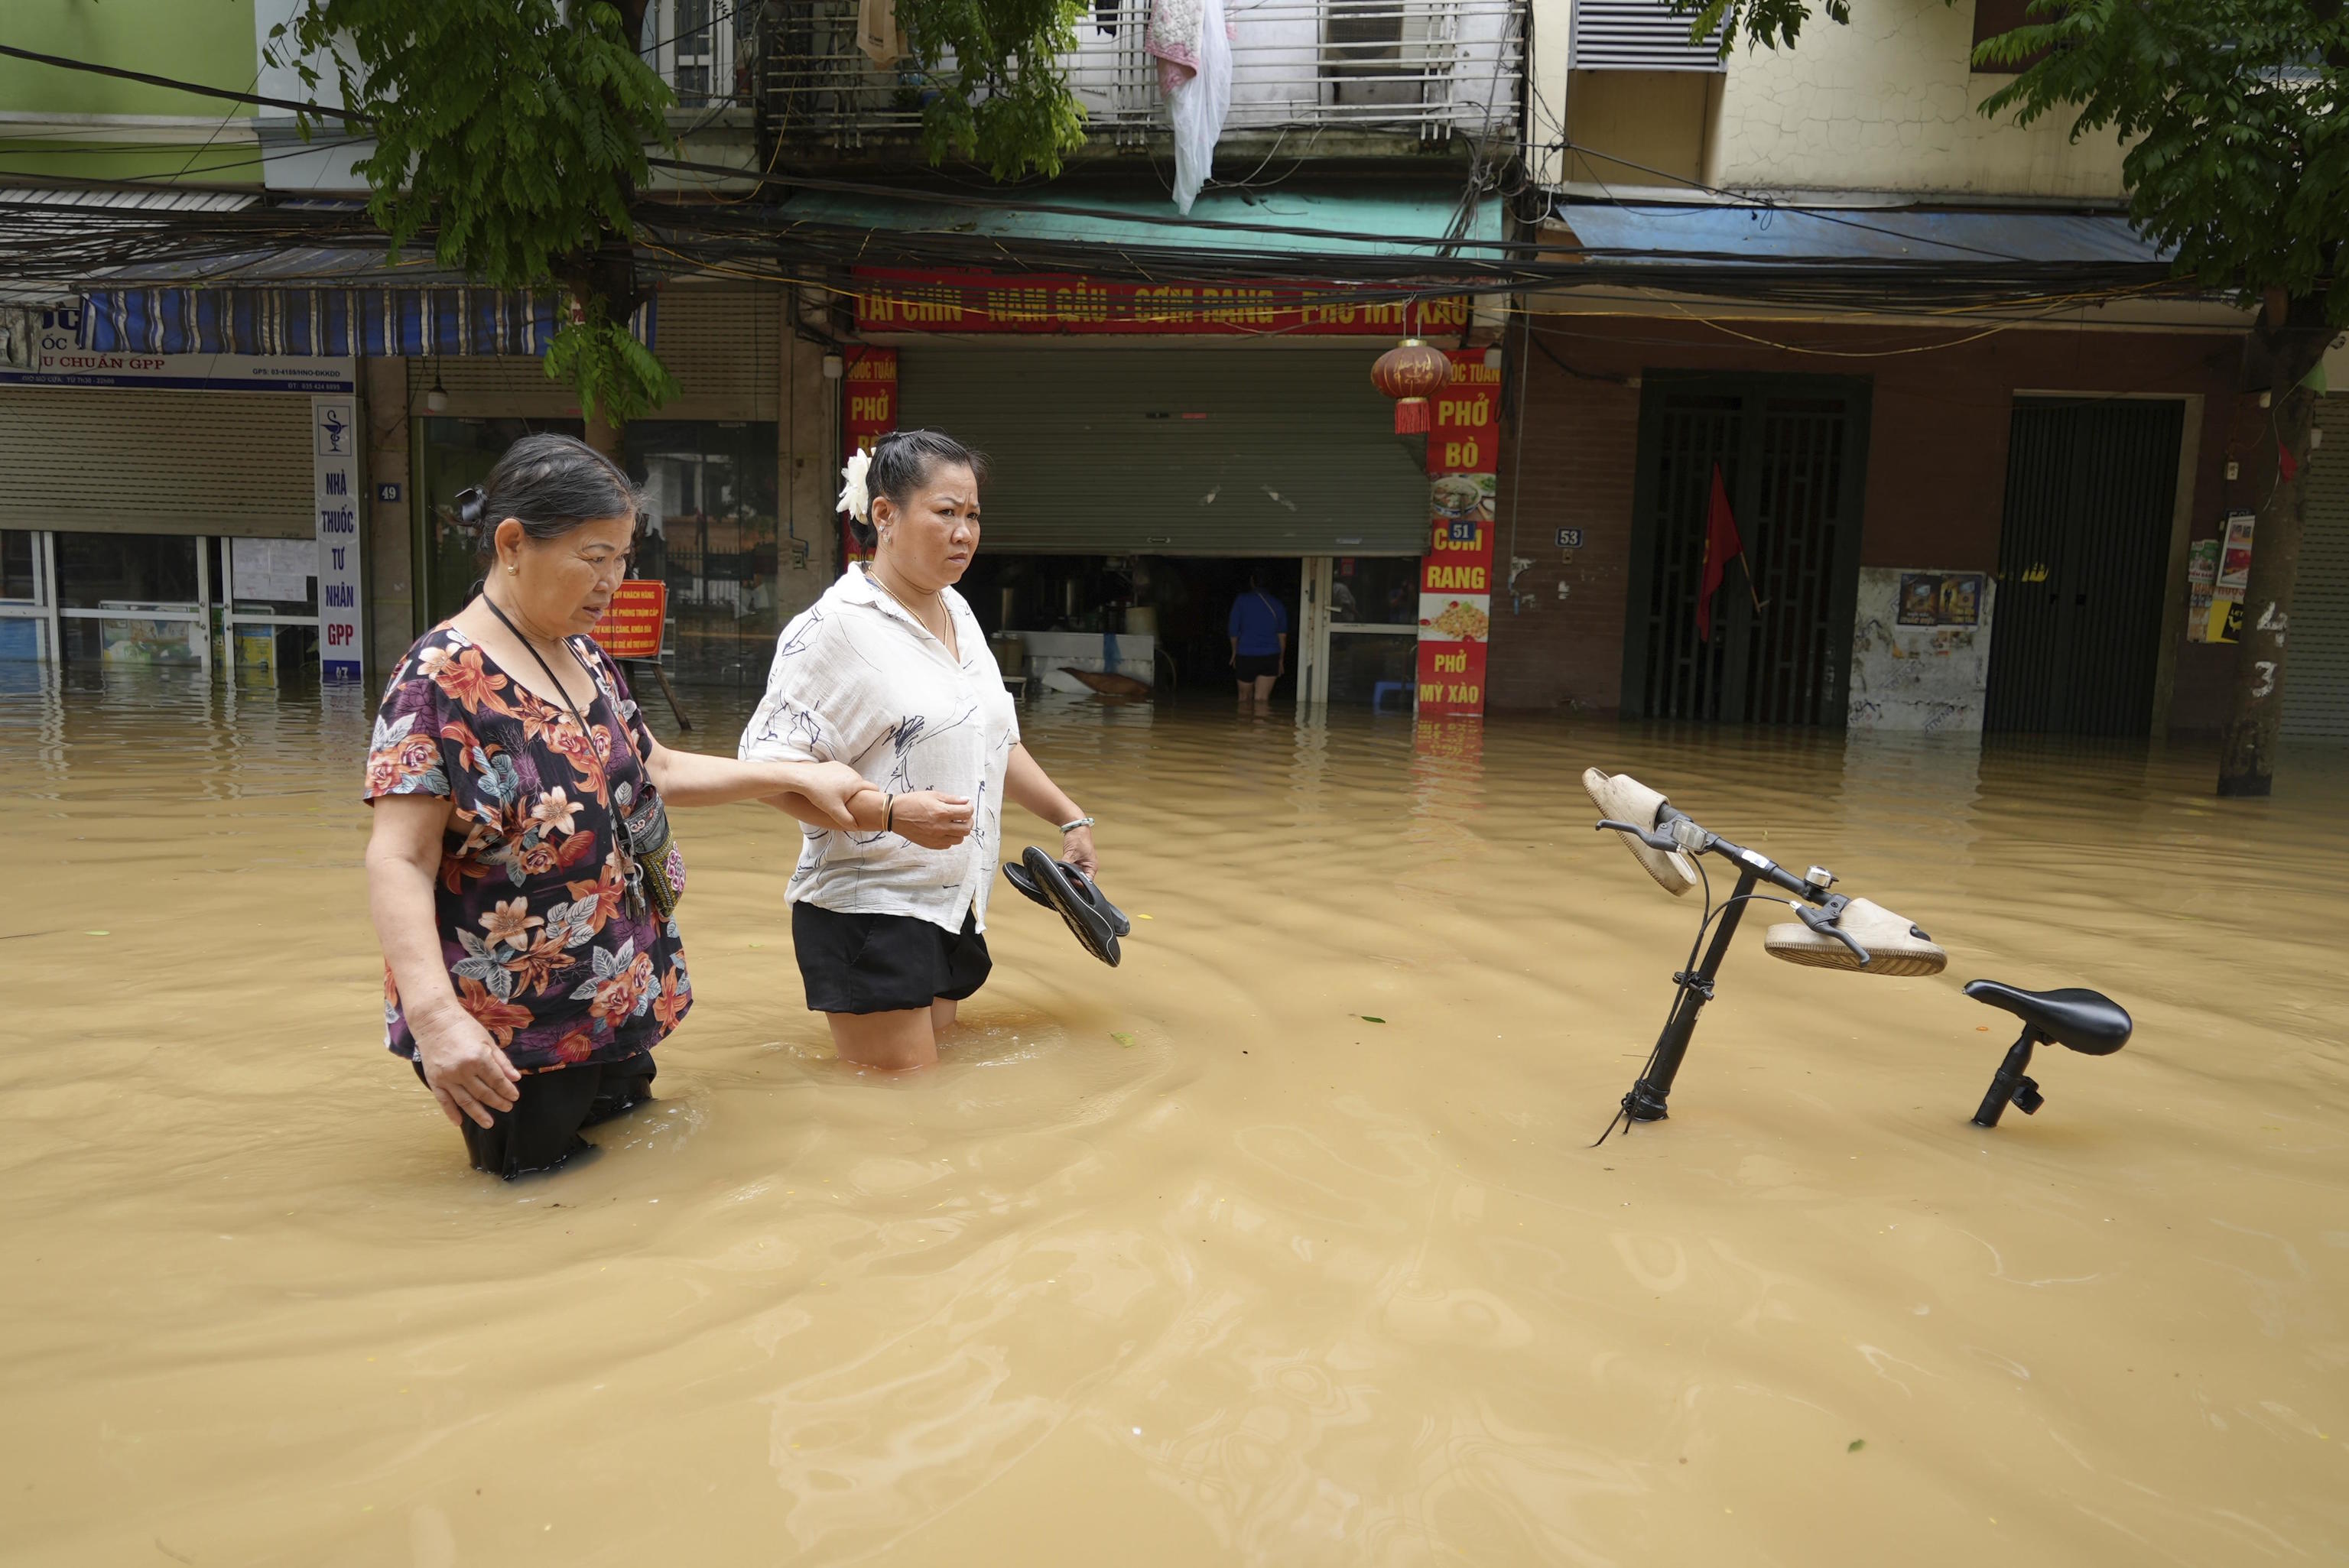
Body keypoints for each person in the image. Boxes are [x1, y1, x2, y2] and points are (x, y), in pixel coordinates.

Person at [363, 433, 869, 1177]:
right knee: (535, 1197)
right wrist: (438, 1019)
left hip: (615, 992)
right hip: (512, 1026)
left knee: (632, 1176)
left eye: (624, 558)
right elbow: (399, 856)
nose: (614, 580)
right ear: (512, 544)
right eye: (593, 556)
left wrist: (791, 778)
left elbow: (653, 767)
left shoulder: (585, 655)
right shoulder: (436, 680)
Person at [739, 429, 1100, 1073]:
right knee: (901, 1114)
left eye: (973, 515)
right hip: (869, 909)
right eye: (946, 512)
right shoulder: (833, 629)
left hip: (951, 901)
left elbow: (996, 740)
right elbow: (763, 772)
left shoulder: (958, 612)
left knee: (929, 1106)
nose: (964, 532)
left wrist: (1068, 817)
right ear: (885, 515)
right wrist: (891, 813)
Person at [1228, 570, 1288, 708]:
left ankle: (1244, 729)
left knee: (1244, 700)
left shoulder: (1241, 601)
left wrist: (1234, 652)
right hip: (1270, 656)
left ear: (1252, 582)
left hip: (1246, 655)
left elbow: (1233, 632)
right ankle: (1261, 729)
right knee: (1262, 701)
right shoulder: (1278, 604)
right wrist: (1280, 659)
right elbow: (1282, 636)